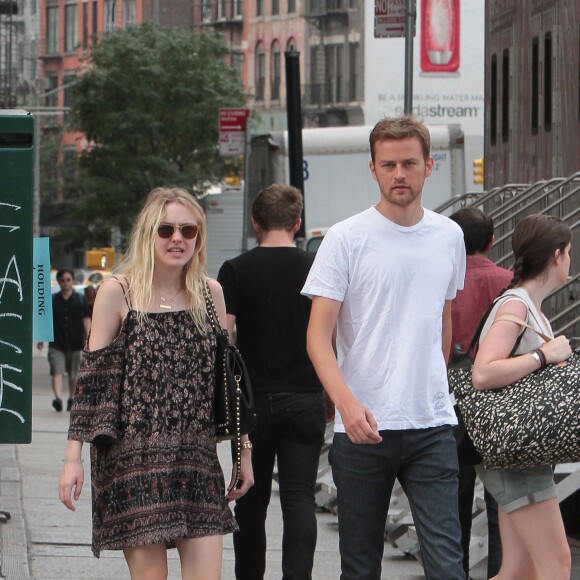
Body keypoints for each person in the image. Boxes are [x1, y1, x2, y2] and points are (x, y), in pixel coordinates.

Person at [58, 187, 254, 580]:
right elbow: (92, 382)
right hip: (134, 464)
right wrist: (72, 458)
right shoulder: (119, 291)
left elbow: (227, 379)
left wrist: (243, 450)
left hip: (195, 459)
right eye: (166, 229)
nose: (177, 238)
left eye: (188, 229)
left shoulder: (209, 293)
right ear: (148, 233)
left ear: (198, 237)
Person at [303, 115, 467, 580]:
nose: (400, 174)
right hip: (361, 427)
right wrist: (346, 406)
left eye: (409, 163)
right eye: (389, 164)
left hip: (432, 423)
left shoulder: (448, 236)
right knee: (360, 566)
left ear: (429, 166)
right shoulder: (345, 238)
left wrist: (430, 383)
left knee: (448, 564)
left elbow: (444, 319)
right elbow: (318, 337)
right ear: (372, 169)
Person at [217, 184, 326, 580]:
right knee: (300, 498)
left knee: (250, 501)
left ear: (254, 221)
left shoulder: (235, 270)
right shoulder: (316, 267)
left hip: (252, 404)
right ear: (297, 223)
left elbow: (225, 338)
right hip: (305, 396)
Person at [471, 213, 573, 580]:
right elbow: (482, 373)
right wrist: (544, 355)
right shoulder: (516, 306)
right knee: (556, 565)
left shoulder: (527, 307)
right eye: (570, 253)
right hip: (518, 458)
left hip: (517, 454)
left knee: (519, 570)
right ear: (557, 256)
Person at [449, 207, 512, 578]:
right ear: (491, 241)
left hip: (452, 403)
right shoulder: (509, 282)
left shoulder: (444, 283)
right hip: (498, 402)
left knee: (451, 503)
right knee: (501, 503)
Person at [38, 268, 91, 412]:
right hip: (57, 343)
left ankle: (72, 398)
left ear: (72, 281)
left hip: (75, 344)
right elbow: (46, 320)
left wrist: (89, 337)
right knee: (57, 371)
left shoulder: (80, 300)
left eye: (68, 280)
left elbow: (86, 319)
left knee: (74, 374)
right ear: (59, 282)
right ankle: (58, 398)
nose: (65, 283)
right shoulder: (53, 300)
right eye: (62, 280)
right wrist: (41, 338)